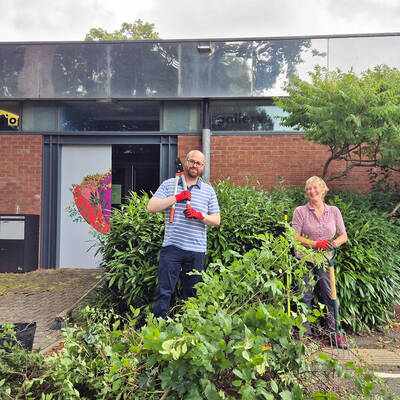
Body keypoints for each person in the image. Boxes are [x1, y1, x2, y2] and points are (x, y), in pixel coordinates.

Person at [147, 150, 220, 318]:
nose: (194, 165)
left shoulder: (208, 191)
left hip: (196, 250)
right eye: (191, 161)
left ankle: (188, 329)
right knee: (164, 291)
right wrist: (177, 198)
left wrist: (199, 215)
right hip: (172, 247)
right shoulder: (169, 185)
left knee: (192, 294)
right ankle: (159, 327)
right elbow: (151, 207)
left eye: (198, 163)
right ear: (186, 163)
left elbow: (216, 220)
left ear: (203, 167)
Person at [291, 176, 348, 345]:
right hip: (304, 259)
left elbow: (343, 235)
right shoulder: (300, 211)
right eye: (308, 189)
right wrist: (316, 244)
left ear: (323, 190)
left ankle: (334, 333)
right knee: (304, 297)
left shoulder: (334, 211)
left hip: (326, 260)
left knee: (330, 296)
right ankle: (304, 334)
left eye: (315, 188)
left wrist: (333, 244)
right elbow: (294, 237)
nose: (311, 191)